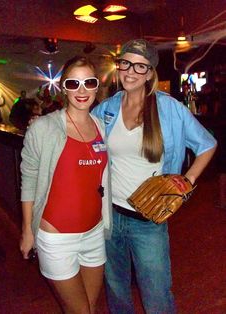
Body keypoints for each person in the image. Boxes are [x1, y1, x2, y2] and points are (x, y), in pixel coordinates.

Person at [92, 39, 217, 314]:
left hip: (148, 218)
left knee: (156, 292)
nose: (131, 71)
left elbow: (207, 144)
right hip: (110, 215)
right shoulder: (107, 108)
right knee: (115, 287)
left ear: (150, 72)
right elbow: (84, 138)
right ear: (119, 65)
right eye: (126, 63)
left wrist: (188, 179)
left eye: (140, 66)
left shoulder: (168, 108)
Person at [20, 56, 112, 314]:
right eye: (74, 83)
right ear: (63, 87)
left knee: (91, 308)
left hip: (94, 233)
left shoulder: (102, 126)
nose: (81, 90)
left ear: (97, 87)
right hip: (57, 237)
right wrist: (27, 230)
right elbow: (28, 179)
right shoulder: (44, 128)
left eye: (88, 82)